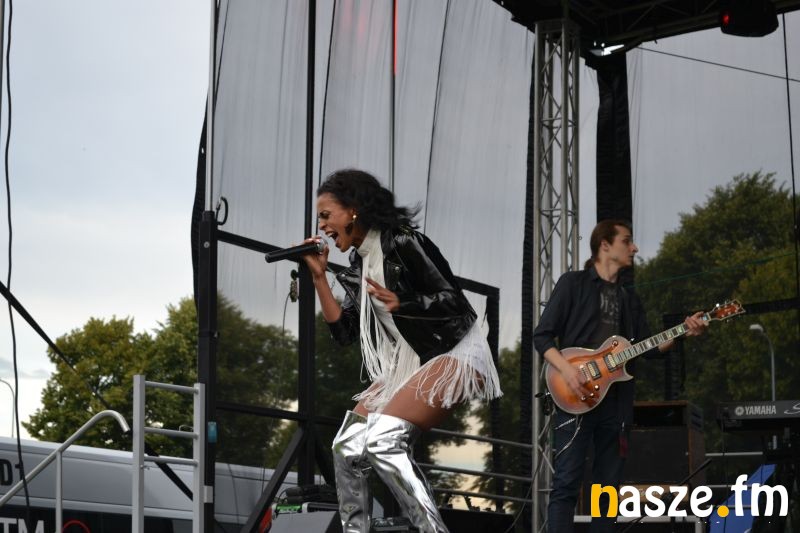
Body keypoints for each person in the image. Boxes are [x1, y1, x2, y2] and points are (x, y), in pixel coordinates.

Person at [301, 169, 502, 533]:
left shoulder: (403, 242)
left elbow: (454, 302)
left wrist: (403, 302)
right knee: (347, 447)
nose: (322, 225)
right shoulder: (360, 263)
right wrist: (319, 277)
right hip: (407, 362)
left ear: (353, 209)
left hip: (452, 350)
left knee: (383, 441)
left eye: (327, 215)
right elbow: (344, 332)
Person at [533, 219, 707, 533]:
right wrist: (567, 370)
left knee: (608, 492)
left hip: (615, 406)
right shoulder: (573, 284)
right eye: (627, 241)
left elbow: (649, 348)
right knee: (567, 483)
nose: (634, 248)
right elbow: (542, 336)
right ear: (605, 245)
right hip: (574, 397)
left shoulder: (629, 298)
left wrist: (683, 331)